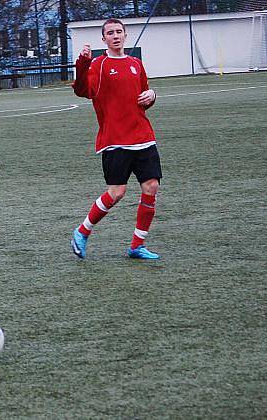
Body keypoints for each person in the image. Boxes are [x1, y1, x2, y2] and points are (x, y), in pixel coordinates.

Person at [70, 18, 162, 260]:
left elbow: (144, 97)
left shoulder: (135, 64)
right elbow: (83, 91)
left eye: (119, 31)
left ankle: (137, 245)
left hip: (143, 136)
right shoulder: (99, 65)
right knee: (117, 192)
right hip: (115, 140)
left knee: (151, 186)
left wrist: (152, 95)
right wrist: (82, 64)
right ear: (104, 39)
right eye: (110, 33)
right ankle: (82, 231)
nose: (115, 36)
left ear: (125, 35)